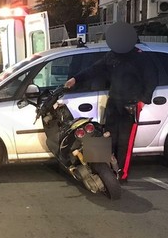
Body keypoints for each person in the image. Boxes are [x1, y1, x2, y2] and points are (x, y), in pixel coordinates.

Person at [64, 23, 158, 183]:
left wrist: (142, 100)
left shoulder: (141, 57)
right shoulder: (112, 56)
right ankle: (105, 171)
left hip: (131, 104)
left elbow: (152, 80)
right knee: (107, 137)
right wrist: (76, 79)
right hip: (114, 102)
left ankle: (122, 174)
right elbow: (94, 69)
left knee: (125, 143)